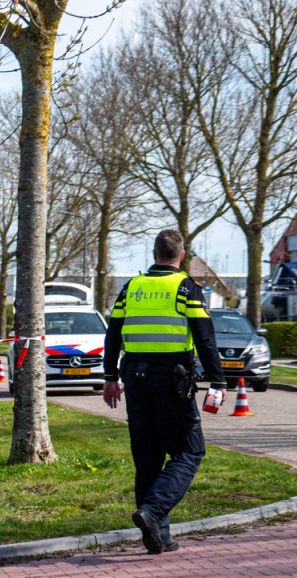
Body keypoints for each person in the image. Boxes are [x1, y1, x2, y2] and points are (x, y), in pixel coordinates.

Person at [102, 229, 227, 555]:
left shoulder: (131, 287)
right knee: (190, 451)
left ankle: (158, 536)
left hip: (135, 379)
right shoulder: (186, 288)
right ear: (181, 255)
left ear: (154, 253)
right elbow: (204, 337)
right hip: (172, 380)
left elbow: (112, 333)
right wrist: (218, 381)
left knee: (147, 458)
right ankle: (154, 512)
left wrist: (110, 376)